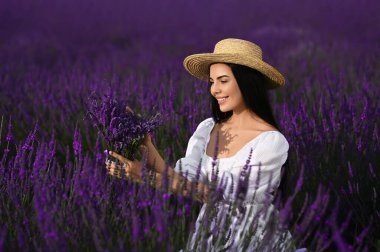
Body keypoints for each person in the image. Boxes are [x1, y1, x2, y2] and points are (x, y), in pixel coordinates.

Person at [106, 38, 295, 251]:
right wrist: (146, 143)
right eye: (212, 82)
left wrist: (147, 177)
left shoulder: (271, 142)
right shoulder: (208, 129)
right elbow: (182, 180)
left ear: (246, 82)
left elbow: (218, 196)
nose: (214, 90)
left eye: (223, 81)